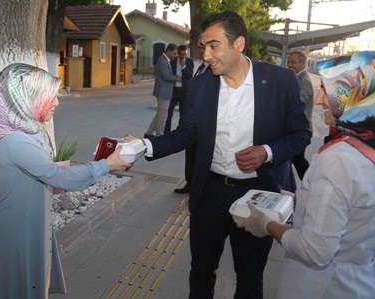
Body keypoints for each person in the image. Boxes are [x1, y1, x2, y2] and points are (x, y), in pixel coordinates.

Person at [127, 11, 311, 298]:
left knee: (250, 277)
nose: (206, 54)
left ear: (239, 44)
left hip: (257, 195)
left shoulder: (281, 81)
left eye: (214, 45)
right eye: (203, 47)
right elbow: (186, 134)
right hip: (209, 193)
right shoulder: (201, 85)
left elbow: (301, 134)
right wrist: (143, 146)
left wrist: (267, 151)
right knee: (201, 270)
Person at [0, 63, 131, 299]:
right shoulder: (15, 141)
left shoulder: (30, 132)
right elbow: (56, 176)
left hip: (28, 223)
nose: (57, 102)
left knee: (29, 285)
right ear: (26, 97)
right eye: (49, 96)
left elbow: (46, 174)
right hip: (19, 232)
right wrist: (106, 165)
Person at [239, 51, 375, 299]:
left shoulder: (338, 160)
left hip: (321, 286)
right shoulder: (366, 148)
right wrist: (304, 200)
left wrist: (267, 225)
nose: (322, 99)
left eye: (330, 90)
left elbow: (315, 251)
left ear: (356, 97)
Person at [174, 42, 208, 194]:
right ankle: (190, 183)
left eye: (204, 47)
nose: (201, 50)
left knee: (198, 156)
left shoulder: (212, 69)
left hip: (203, 124)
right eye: (199, 47)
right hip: (192, 121)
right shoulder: (202, 66)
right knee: (190, 153)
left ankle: (197, 186)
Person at [287, 50, 314, 179]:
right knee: (294, 159)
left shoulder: (305, 81)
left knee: (298, 159)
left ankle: (309, 184)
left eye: (293, 62)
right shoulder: (295, 77)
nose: (290, 65)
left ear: (303, 63)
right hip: (295, 128)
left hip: (301, 129)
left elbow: (298, 101)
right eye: (288, 62)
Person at [144, 43, 180, 137]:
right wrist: (177, 78)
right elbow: (166, 76)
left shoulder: (165, 59)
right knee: (163, 116)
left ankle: (148, 133)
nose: (175, 56)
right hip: (163, 92)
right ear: (168, 51)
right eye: (174, 53)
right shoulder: (163, 60)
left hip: (164, 91)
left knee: (160, 114)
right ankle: (159, 135)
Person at [164, 44, 194, 134]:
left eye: (185, 54)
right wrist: (176, 78)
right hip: (173, 90)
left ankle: (179, 133)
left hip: (184, 91)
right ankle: (166, 133)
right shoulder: (172, 61)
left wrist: (183, 66)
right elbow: (168, 75)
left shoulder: (189, 61)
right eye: (182, 54)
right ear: (178, 53)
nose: (184, 56)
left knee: (183, 114)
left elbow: (189, 76)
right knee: (169, 113)